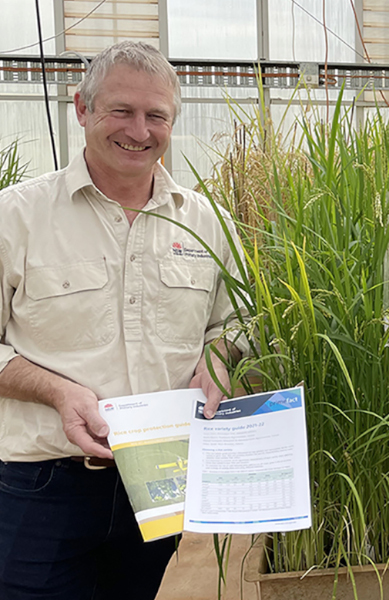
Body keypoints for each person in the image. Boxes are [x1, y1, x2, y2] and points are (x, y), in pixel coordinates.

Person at [0, 41, 247, 599]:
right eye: (121, 110)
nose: (140, 130)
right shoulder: (15, 217)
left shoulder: (208, 223)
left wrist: (217, 358)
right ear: (82, 109)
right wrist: (57, 392)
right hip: (42, 484)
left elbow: (235, 322)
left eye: (156, 115)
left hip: (160, 480)